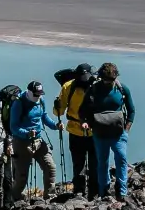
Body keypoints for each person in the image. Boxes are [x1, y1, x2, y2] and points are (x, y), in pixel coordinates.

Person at [80, 62, 136, 201]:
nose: (108, 83)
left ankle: (121, 192)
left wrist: (126, 131)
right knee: (102, 162)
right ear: (100, 77)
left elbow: (131, 110)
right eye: (106, 80)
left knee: (121, 159)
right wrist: (84, 122)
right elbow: (82, 110)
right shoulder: (93, 90)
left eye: (111, 80)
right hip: (100, 133)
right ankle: (103, 192)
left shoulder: (122, 89)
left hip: (119, 134)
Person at [7, 79, 61, 201]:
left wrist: (55, 126)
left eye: (40, 94)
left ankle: (50, 196)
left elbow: (44, 116)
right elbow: (13, 127)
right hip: (21, 143)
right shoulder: (19, 103)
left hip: (38, 140)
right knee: (22, 177)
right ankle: (13, 199)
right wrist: (26, 133)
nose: (38, 96)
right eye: (36, 94)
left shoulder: (41, 100)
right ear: (30, 92)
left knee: (50, 167)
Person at [55, 63, 96, 198]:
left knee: (79, 163)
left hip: (78, 131)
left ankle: (80, 192)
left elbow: (58, 112)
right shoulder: (93, 85)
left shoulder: (68, 86)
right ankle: (92, 192)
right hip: (90, 131)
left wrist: (57, 107)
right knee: (91, 163)